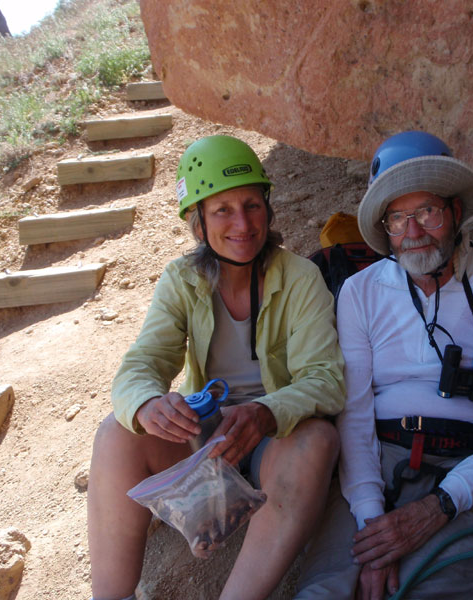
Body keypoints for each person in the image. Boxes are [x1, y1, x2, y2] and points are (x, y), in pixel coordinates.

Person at [87, 135, 346, 600]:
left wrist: (266, 412)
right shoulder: (182, 280)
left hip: (276, 442)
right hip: (207, 442)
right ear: (198, 222)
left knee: (318, 439)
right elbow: (143, 362)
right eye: (222, 209)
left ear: (268, 209)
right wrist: (147, 403)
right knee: (117, 432)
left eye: (251, 204)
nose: (242, 223)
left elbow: (325, 378)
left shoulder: (300, 277)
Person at [296, 131, 473, 599]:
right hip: (377, 464)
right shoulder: (361, 293)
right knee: (322, 593)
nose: (413, 232)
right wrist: (371, 519)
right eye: (398, 218)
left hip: (464, 470)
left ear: (456, 213)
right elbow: (356, 411)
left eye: (426, 211)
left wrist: (441, 505)